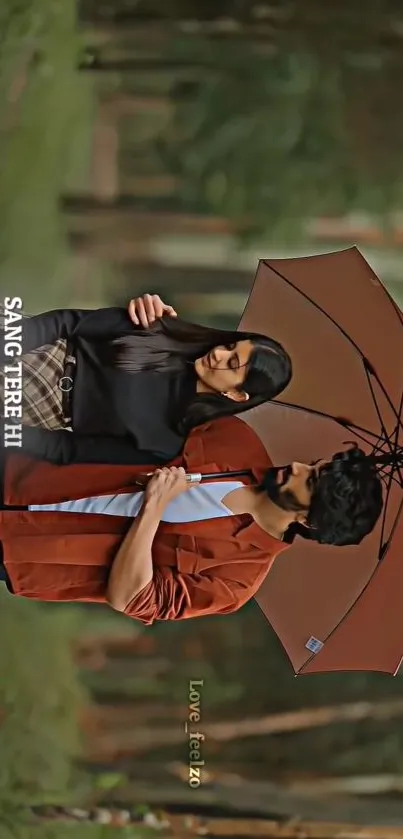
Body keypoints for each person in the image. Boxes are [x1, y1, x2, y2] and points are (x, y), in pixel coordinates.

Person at [0, 416, 383, 623]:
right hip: (22, 470)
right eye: (314, 464)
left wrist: (154, 508)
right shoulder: (235, 438)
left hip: (22, 552)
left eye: (310, 480)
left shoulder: (238, 579)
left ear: (311, 520)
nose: (298, 466)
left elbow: (130, 598)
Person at [0, 293, 292, 466]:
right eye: (229, 346)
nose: (218, 354)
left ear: (236, 394)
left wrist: (11, 434)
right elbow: (70, 322)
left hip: (32, 408)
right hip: (36, 345)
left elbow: (68, 450)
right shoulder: (162, 326)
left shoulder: (166, 441)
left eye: (232, 363)